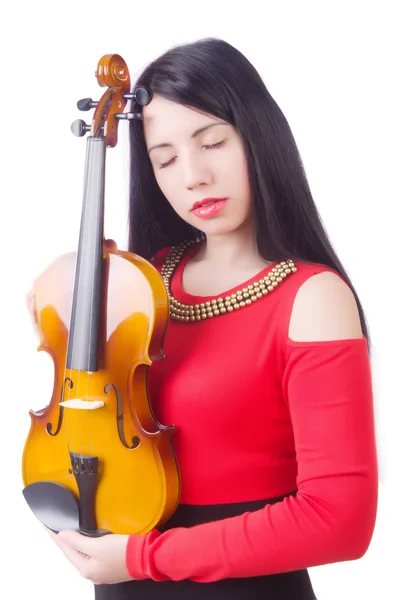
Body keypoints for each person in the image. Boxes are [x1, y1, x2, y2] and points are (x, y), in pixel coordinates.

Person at [26, 37, 378, 600]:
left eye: (212, 142)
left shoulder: (312, 297)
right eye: (164, 159)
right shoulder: (145, 281)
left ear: (257, 138)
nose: (192, 176)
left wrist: (143, 558)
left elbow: (339, 520)